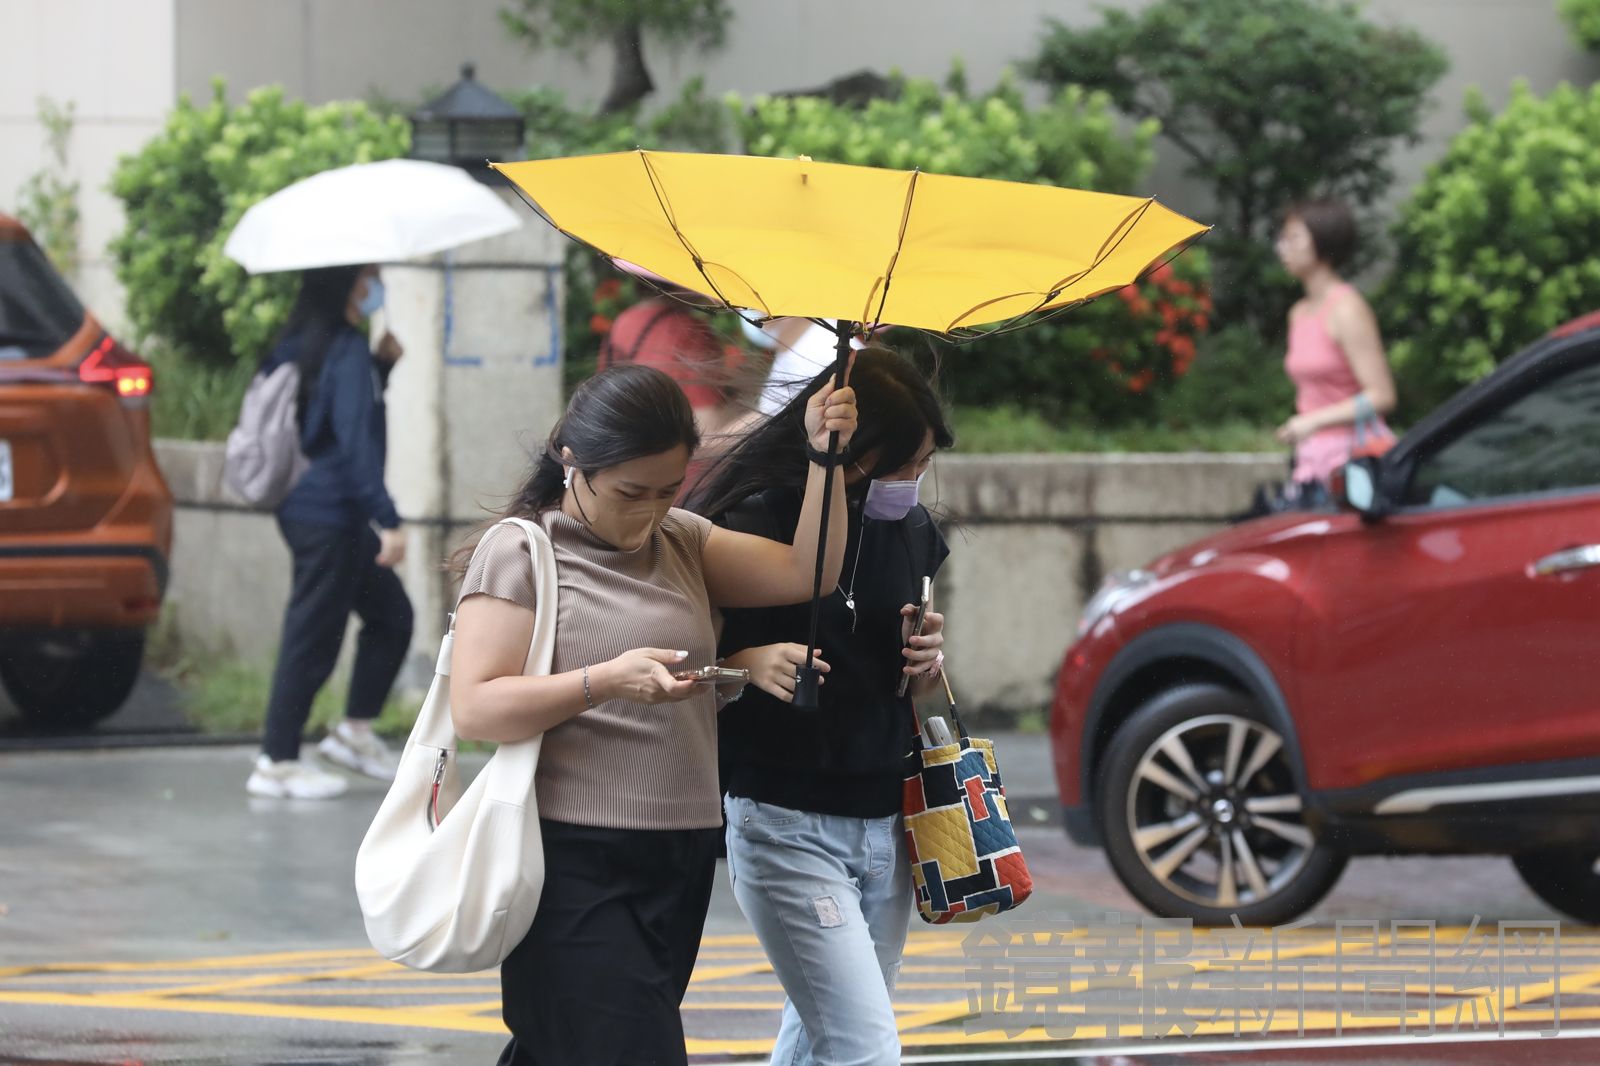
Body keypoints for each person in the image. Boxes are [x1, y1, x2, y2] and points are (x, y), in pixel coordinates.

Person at [446, 362, 857, 1066]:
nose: (649, 511)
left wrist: (825, 459)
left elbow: (808, 572)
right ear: (572, 462)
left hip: (680, 850)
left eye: (669, 490)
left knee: (568, 1050)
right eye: (631, 492)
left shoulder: (683, 540)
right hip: (572, 857)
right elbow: (477, 705)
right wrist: (602, 680)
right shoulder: (522, 551)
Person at [689, 346, 956, 1066]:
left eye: (926, 462)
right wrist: (742, 664)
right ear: (861, 454)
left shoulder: (915, 533)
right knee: (862, 1046)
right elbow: (679, 662)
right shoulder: (755, 522)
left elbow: (908, 675)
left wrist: (927, 661)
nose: (915, 480)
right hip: (784, 823)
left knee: (817, 1041)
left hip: (886, 822)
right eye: (905, 463)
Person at [247, 264, 412, 800]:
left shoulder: (314, 342)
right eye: (373, 275)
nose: (379, 285)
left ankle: (353, 732)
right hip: (327, 513)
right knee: (312, 636)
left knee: (392, 616)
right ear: (352, 285)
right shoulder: (340, 347)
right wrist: (387, 519)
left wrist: (380, 370)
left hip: (320, 510)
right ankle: (276, 761)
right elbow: (354, 444)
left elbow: (321, 420)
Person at [1273, 198, 1398, 505]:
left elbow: (1382, 396)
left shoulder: (1347, 309)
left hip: (1353, 461)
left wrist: (1313, 421)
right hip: (1311, 459)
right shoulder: (1298, 313)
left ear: (1323, 242)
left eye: (1293, 237)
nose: (1282, 247)